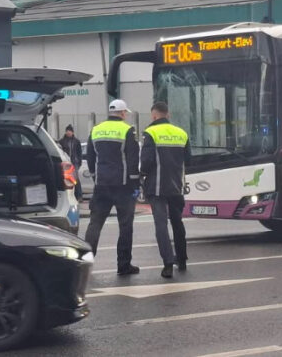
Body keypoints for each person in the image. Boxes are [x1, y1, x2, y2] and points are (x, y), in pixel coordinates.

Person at [85, 99, 141, 276]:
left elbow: (90, 157)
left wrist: (95, 176)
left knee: (95, 224)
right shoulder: (127, 130)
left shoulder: (96, 130)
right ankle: (123, 265)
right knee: (125, 226)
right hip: (123, 185)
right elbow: (133, 158)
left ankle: (85, 263)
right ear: (123, 113)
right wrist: (135, 183)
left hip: (102, 185)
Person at [140, 102, 190, 279]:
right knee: (178, 222)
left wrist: (142, 175)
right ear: (167, 114)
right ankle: (182, 259)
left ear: (154, 116)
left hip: (157, 187)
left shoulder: (151, 133)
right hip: (177, 186)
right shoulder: (181, 133)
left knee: (161, 225)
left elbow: (146, 162)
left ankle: (168, 263)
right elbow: (188, 160)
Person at [58, 124, 84, 200]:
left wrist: (79, 162)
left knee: (75, 179)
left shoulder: (76, 141)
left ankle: (79, 195)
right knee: (67, 179)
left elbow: (79, 152)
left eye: (70, 131)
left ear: (72, 132)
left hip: (74, 162)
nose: (68, 132)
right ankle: (71, 196)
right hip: (66, 162)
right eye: (67, 131)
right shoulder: (62, 141)